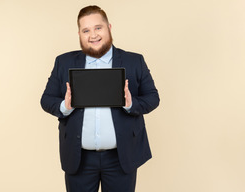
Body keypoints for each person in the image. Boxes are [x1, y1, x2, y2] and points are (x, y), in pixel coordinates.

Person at [41, 5, 160, 192]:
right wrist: (65, 106)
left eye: (98, 28)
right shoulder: (63, 62)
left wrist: (131, 104)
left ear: (109, 28)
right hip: (79, 159)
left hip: (121, 158)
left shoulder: (134, 61)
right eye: (86, 30)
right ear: (79, 33)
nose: (93, 35)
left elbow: (153, 98)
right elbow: (46, 100)